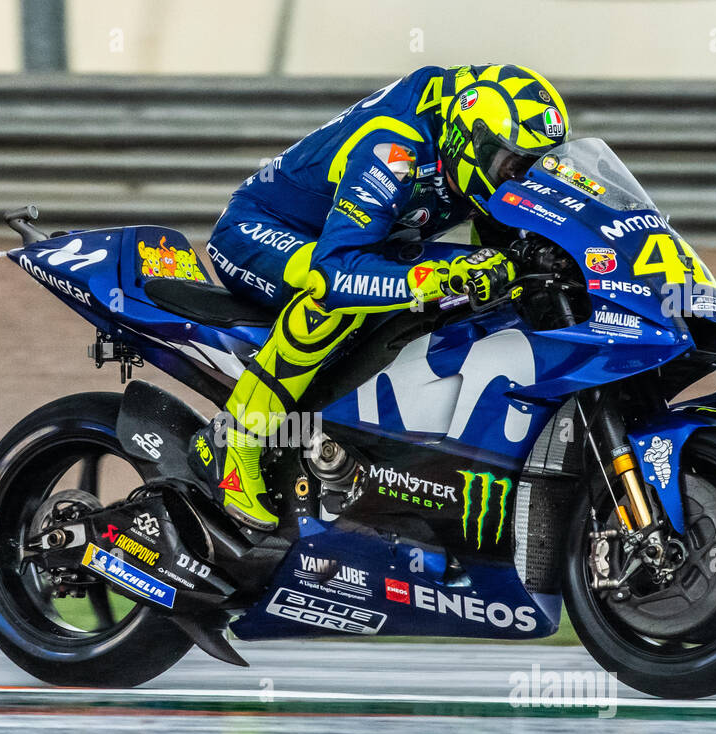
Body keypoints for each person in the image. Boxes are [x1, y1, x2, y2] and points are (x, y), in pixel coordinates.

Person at [193, 63, 570, 530]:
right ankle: (235, 439)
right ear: (467, 143)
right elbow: (338, 270)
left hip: (367, 241)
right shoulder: (393, 145)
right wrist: (430, 279)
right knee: (339, 296)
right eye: (510, 166)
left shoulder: (474, 142)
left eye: (532, 166)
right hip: (262, 233)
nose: (518, 178)